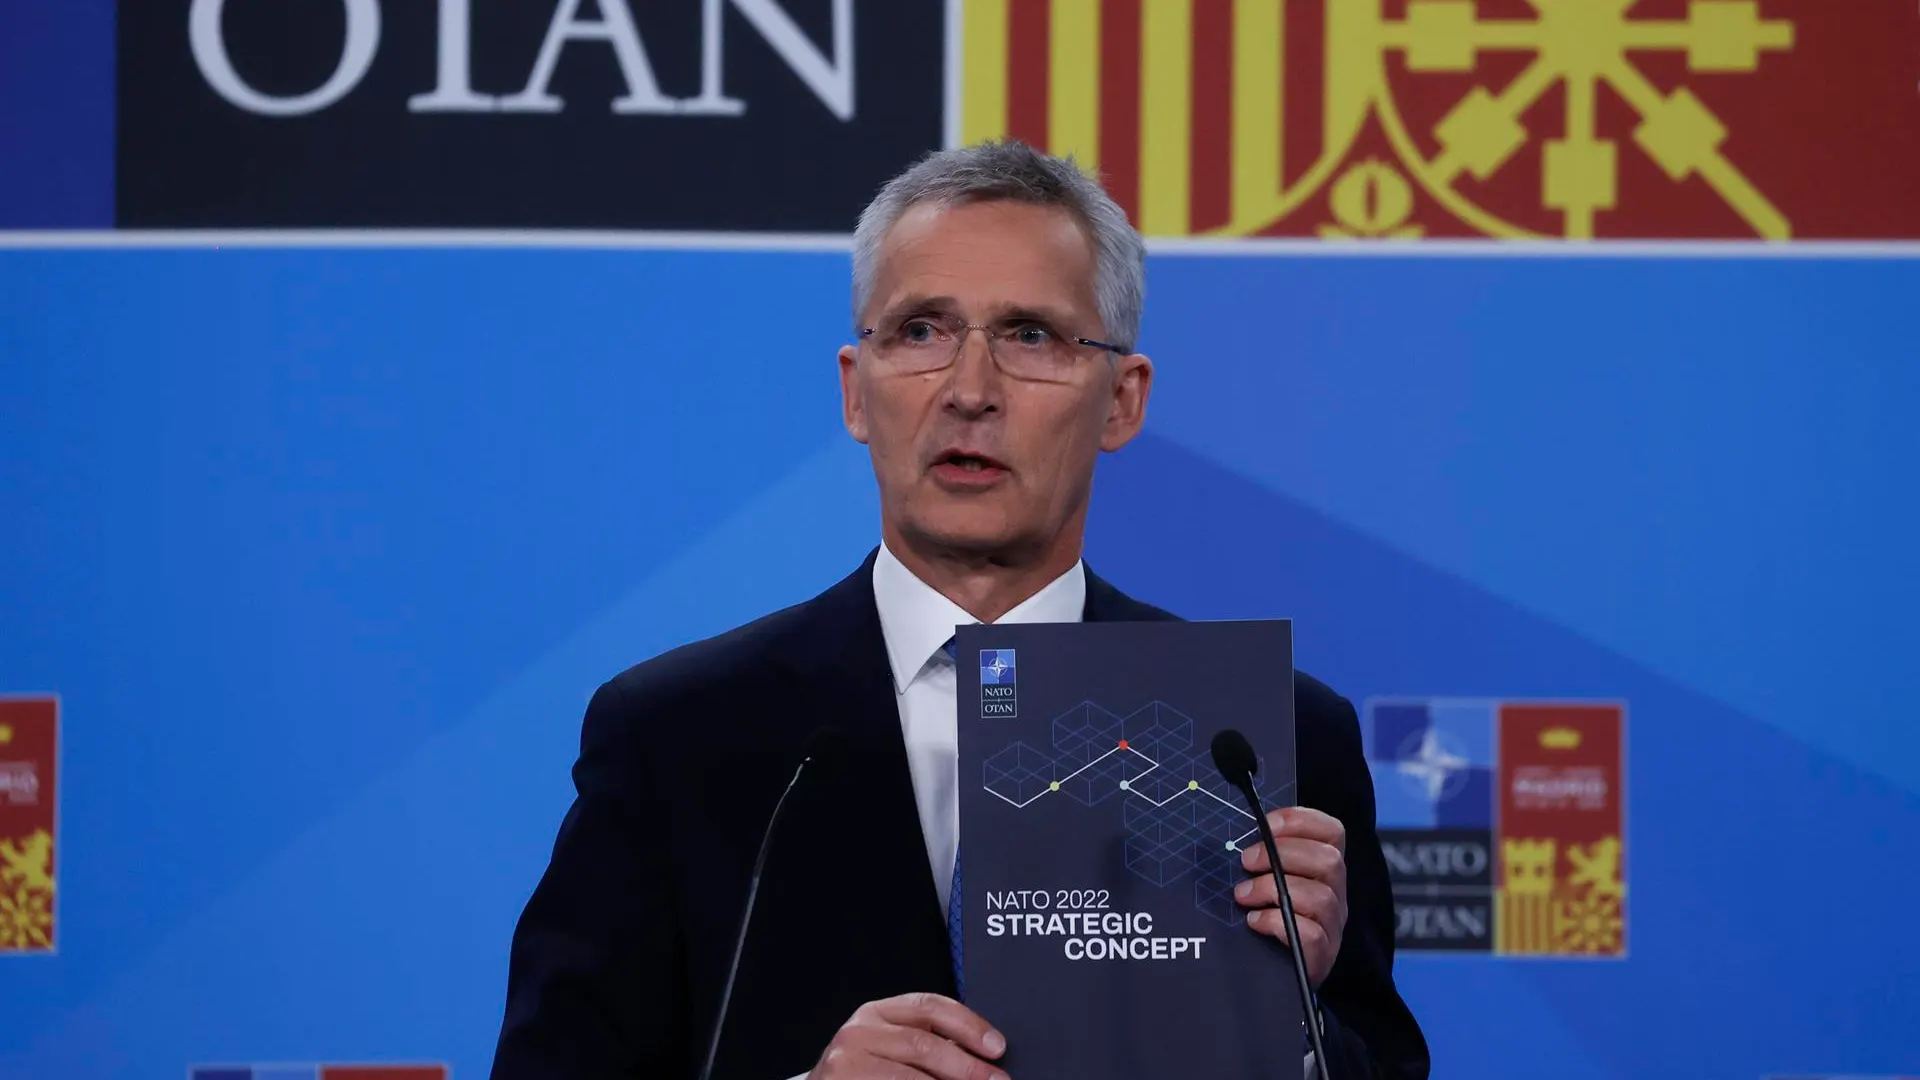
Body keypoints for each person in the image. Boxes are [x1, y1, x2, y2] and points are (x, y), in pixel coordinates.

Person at [489, 139, 1429, 1080]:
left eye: (1030, 336)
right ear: (857, 392)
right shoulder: (676, 735)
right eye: (922, 331)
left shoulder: (1268, 739)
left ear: (1122, 402)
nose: (969, 392)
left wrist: (1292, 1015)